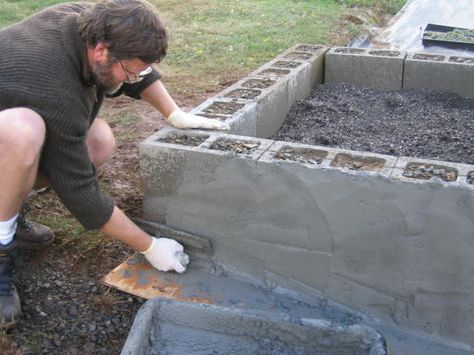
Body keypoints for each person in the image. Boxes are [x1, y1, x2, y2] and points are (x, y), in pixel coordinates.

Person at [0, 0, 229, 327]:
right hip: (10, 127)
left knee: (98, 139)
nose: (133, 79)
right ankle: (2, 247)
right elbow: (81, 194)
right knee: (21, 130)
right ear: (101, 52)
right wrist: (149, 246)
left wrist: (174, 114)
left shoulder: (88, 23)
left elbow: (136, 73)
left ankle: (9, 211)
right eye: (131, 70)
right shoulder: (52, 83)